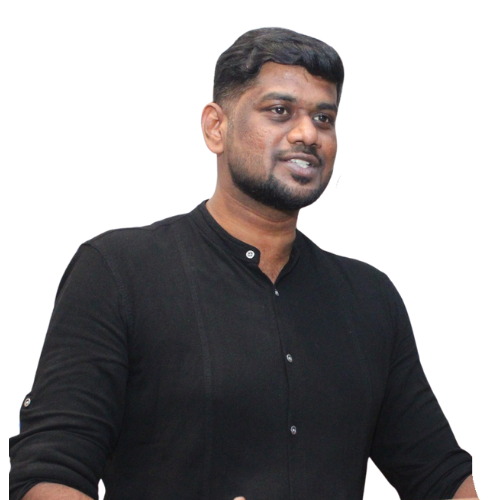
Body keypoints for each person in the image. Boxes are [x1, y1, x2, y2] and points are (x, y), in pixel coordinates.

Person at [9, 26, 476, 500]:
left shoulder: (370, 297)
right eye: (279, 111)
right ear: (216, 127)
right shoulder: (118, 271)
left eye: (324, 117)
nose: (307, 134)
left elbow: (439, 474)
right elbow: (49, 471)